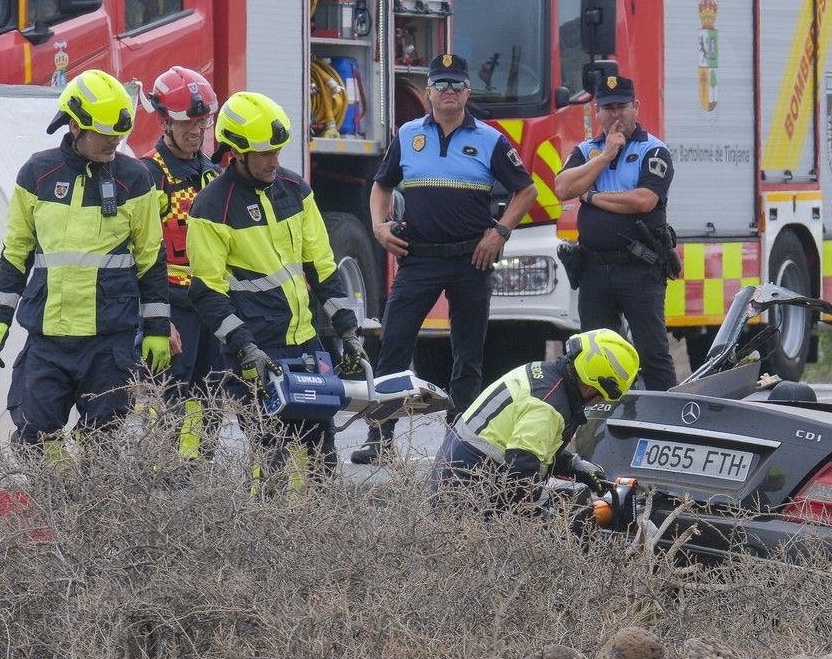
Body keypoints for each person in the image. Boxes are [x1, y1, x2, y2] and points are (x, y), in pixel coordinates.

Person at [351, 53, 538, 465]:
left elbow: (526, 191)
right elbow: (380, 186)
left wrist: (500, 231)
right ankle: (379, 438)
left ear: (468, 91)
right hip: (418, 259)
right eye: (441, 84)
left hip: (472, 259)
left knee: (467, 354)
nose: (449, 91)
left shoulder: (490, 139)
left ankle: (460, 447)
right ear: (428, 91)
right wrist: (380, 228)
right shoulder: (409, 134)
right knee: (394, 346)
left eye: (456, 84)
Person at [0, 69, 170, 446]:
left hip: (109, 340)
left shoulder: (135, 179)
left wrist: (157, 329)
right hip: (48, 337)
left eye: (119, 133)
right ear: (74, 124)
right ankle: (60, 501)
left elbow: (151, 258)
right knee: (35, 438)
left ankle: (90, 503)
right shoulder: (37, 173)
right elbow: (16, 251)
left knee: (102, 444)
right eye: (105, 133)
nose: (114, 141)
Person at [185, 91, 365, 476]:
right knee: (272, 457)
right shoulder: (212, 206)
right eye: (265, 153)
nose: (274, 162)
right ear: (236, 152)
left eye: (277, 152)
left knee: (321, 456)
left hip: (306, 342)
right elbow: (207, 292)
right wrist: (244, 347)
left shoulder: (295, 189)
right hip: (257, 351)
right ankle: (266, 532)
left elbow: (321, 267)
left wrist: (348, 331)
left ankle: (315, 534)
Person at [553, 75, 678, 391]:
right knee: (594, 357)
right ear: (596, 111)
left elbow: (643, 200)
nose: (614, 115)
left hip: (638, 268)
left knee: (652, 354)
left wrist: (592, 196)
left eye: (621, 106)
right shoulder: (588, 150)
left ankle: (667, 426)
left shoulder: (653, 150)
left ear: (635, 107)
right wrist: (606, 156)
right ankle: (602, 430)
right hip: (594, 269)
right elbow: (564, 187)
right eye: (607, 108)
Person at [430, 328, 639, 506]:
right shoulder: (547, 407)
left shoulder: (546, 376)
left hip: (461, 477)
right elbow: (521, 475)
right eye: (604, 396)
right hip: (468, 495)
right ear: (591, 383)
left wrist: (573, 465)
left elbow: (532, 446)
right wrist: (552, 508)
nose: (601, 402)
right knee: (575, 508)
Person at [141, 65, 223, 459]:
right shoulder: (146, 176)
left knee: (209, 403)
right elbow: (138, 256)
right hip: (170, 307)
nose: (196, 131)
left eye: (202, 121)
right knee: (168, 404)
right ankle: (164, 487)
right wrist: (156, 320)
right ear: (163, 122)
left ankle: (197, 482)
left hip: (210, 307)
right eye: (187, 122)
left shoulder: (214, 175)